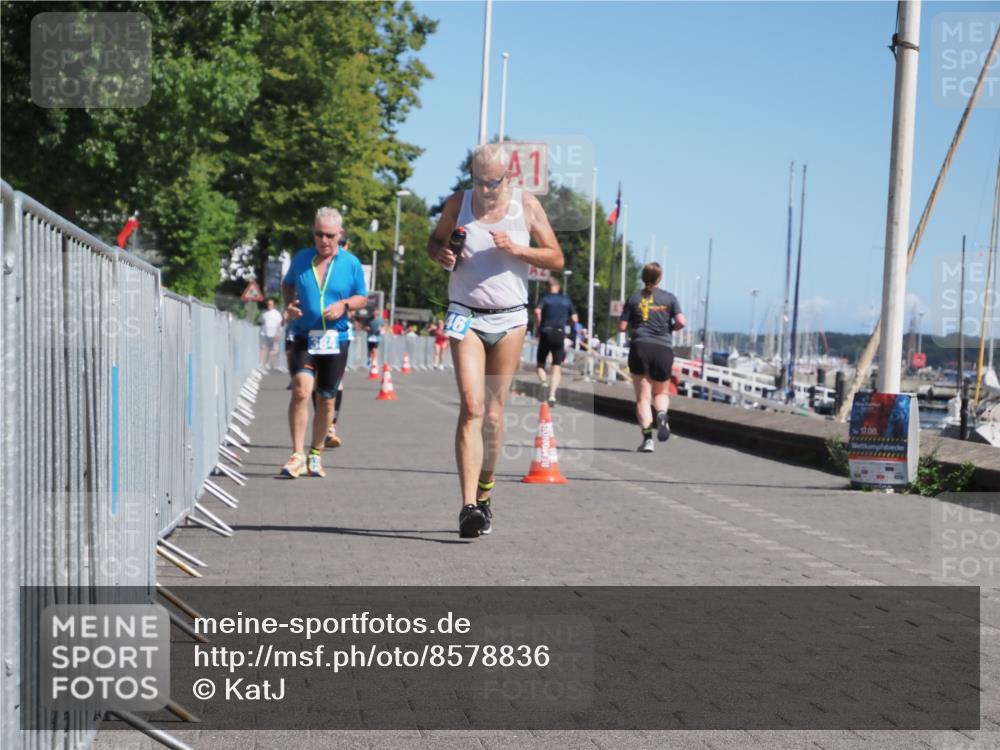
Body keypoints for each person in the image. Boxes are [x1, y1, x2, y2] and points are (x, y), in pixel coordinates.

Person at [427, 143, 564, 538]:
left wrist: (518, 249)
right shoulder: (458, 202)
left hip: (510, 320)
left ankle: (486, 492)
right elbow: (433, 243)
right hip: (464, 315)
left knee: (493, 414)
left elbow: (556, 257)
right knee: (471, 406)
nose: (486, 189)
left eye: (494, 182)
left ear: (509, 177)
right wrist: (441, 255)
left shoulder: (527, 207)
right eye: (479, 181)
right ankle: (468, 507)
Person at [280, 208, 368, 478]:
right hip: (303, 335)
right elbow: (288, 285)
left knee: (326, 399)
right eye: (319, 234)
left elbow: (362, 298)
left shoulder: (351, 263)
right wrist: (290, 306)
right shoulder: (302, 259)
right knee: (301, 390)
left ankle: (315, 453)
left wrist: (344, 305)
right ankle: (297, 454)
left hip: (335, 339)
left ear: (340, 235)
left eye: (330, 235)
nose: (324, 240)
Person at [618, 262, 686, 453]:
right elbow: (682, 321)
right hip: (663, 348)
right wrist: (670, 328)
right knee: (661, 393)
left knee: (643, 398)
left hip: (640, 347)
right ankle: (662, 414)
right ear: (659, 278)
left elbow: (622, 327)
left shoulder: (633, 298)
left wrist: (633, 325)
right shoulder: (670, 298)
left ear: (643, 277)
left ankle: (648, 439)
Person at [534, 276, 578, 405]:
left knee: (540, 364)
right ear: (558, 287)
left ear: (547, 288)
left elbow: (537, 311)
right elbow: (575, 319)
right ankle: (552, 395)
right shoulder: (566, 300)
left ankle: (544, 383)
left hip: (545, 332)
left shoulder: (545, 298)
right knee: (556, 366)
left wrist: (538, 326)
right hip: (559, 333)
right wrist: (566, 323)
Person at [259, 298, 284, 371]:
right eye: (268, 304)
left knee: (274, 350)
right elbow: (262, 323)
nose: (268, 305)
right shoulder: (265, 314)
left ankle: (269, 363)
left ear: (273, 305)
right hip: (265, 334)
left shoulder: (276, 314)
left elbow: (279, 324)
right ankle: (262, 364)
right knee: (264, 349)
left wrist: (278, 333)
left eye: (270, 304)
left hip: (274, 335)